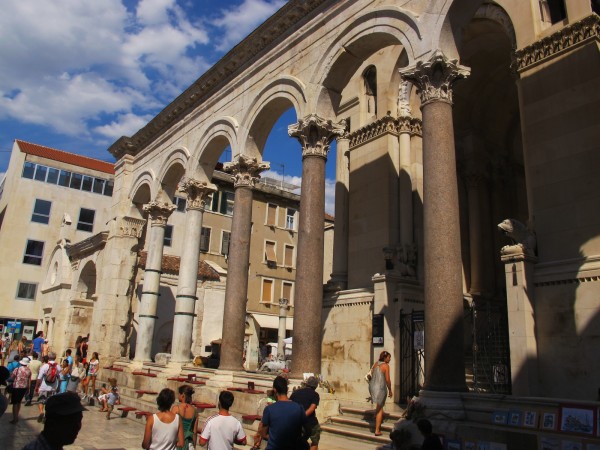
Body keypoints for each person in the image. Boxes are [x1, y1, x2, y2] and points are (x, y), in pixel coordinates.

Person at [256, 376, 307, 450]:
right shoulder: (299, 408)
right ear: (287, 389)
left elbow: (263, 433)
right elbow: (307, 430)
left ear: (275, 390)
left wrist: (275, 438)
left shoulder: (269, 409)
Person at [290, 376, 321, 450]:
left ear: (306, 384)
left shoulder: (296, 392)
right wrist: (302, 416)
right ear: (316, 386)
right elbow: (312, 408)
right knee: (314, 442)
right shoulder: (315, 394)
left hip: (296, 422)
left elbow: (290, 404)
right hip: (310, 422)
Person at [368, 350, 393, 436]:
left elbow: (371, 373)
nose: (389, 359)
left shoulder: (376, 363)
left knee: (379, 405)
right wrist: (390, 390)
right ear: (385, 357)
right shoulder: (386, 366)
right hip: (380, 388)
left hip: (372, 387)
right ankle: (377, 430)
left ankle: (376, 417)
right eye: (389, 357)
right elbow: (388, 380)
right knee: (379, 409)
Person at [34, 351, 60, 423]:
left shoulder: (45, 366)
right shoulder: (58, 367)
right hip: (53, 388)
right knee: (49, 403)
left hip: (44, 387)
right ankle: (46, 416)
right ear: (55, 358)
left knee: (41, 401)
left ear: (48, 357)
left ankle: (41, 412)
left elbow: (39, 378)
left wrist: (36, 387)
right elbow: (59, 378)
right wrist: (58, 387)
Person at [171, 385, 198, 450]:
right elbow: (194, 432)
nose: (178, 396)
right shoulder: (195, 411)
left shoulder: (176, 409)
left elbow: (171, 428)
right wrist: (194, 446)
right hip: (189, 444)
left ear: (182, 395)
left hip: (177, 443)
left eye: (179, 394)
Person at [8, 357, 32, 424]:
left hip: (16, 387)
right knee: (19, 402)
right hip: (24, 387)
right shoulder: (29, 370)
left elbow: (12, 377)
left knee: (14, 403)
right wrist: (28, 388)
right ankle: (17, 415)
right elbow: (29, 380)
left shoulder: (17, 369)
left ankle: (15, 418)